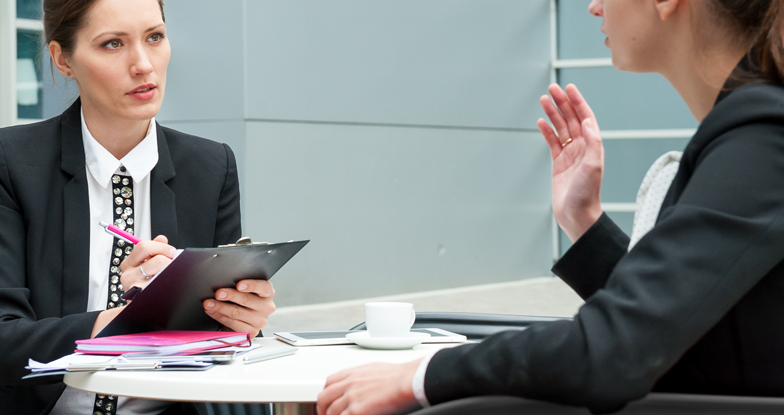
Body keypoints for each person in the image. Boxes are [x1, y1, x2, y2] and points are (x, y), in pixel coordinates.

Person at [316, 0, 784, 413]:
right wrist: (584, 220)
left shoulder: (762, 140)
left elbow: (612, 352)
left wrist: (421, 376)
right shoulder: (752, 136)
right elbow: (674, 324)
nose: (594, 6)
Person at [0, 0, 276, 413]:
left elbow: (218, 341)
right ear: (63, 59)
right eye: (113, 44)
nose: (144, 64)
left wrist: (241, 318)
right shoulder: (12, 162)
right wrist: (134, 318)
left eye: (155, 37)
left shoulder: (211, 166)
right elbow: (5, 336)